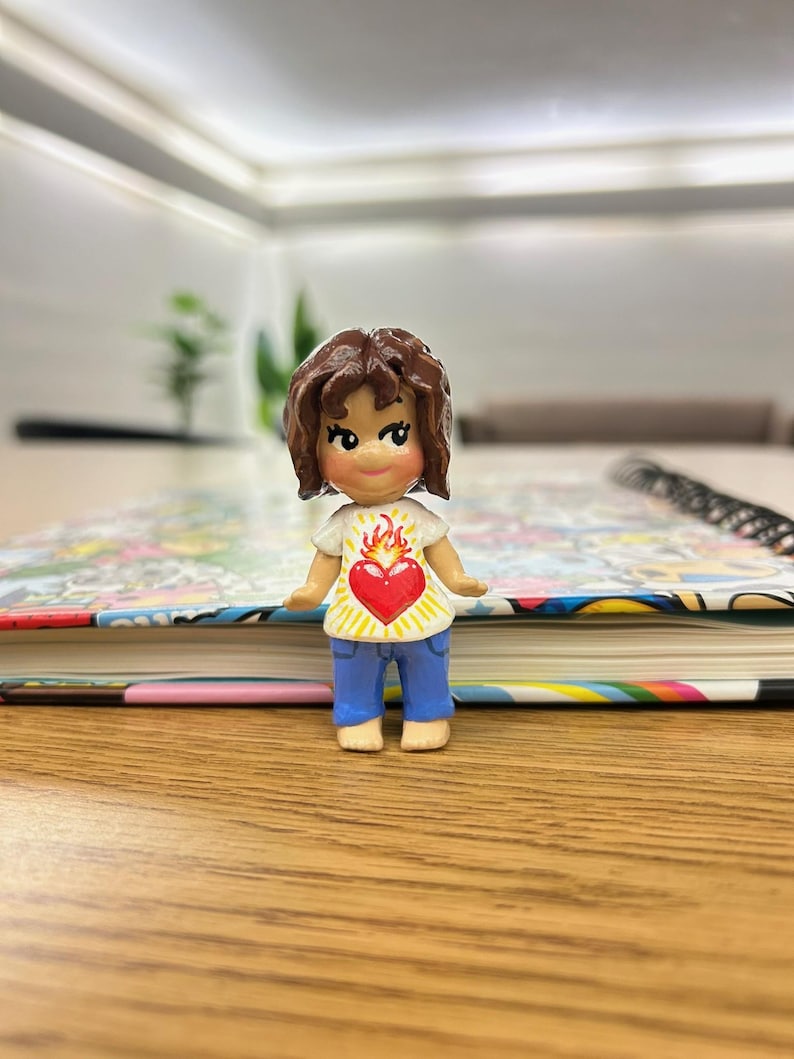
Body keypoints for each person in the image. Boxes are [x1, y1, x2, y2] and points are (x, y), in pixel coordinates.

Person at [283, 327, 487, 752]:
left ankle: (427, 714)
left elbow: (439, 550)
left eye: (396, 434)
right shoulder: (343, 522)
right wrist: (311, 591)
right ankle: (358, 716)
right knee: (354, 672)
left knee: (427, 666)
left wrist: (458, 580)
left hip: (422, 616)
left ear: (429, 436)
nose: (372, 454)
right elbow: (326, 560)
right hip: (356, 620)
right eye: (345, 439)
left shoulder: (417, 517)